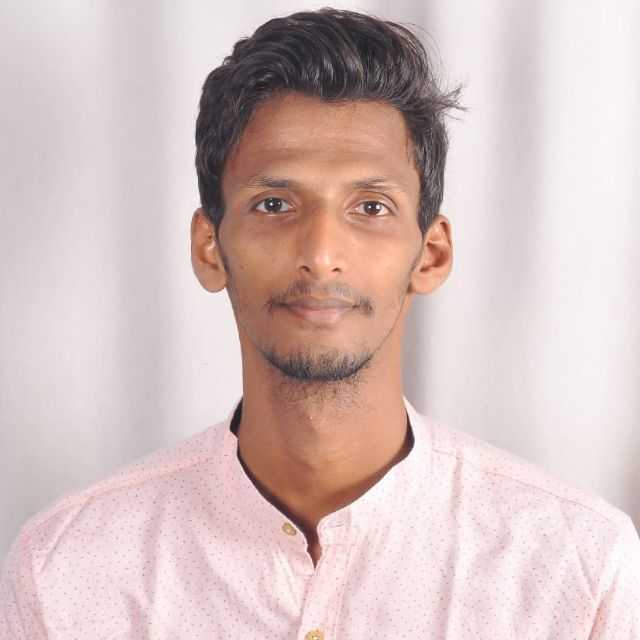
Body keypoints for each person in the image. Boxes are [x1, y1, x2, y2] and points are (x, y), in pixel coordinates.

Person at [1, 7, 639, 639]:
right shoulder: (65, 571)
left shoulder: (579, 569)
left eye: (371, 206)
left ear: (431, 254)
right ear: (209, 247)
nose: (321, 252)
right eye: (274, 204)